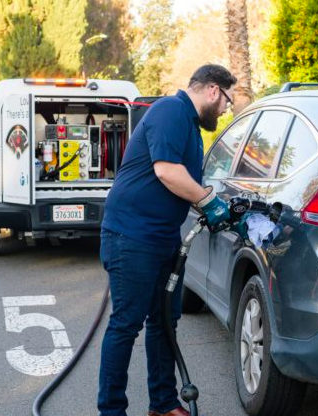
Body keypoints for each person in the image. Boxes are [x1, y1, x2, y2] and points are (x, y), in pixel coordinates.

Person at [98, 64, 238, 416]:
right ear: (211, 90)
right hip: (131, 236)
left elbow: (185, 181)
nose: (225, 109)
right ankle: (111, 411)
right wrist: (208, 201)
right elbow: (166, 171)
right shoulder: (170, 110)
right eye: (226, 101)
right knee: (126, 324)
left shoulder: (191, 128)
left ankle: (162, 404)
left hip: (163, 239)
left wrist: (211, 198)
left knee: (164, 321)